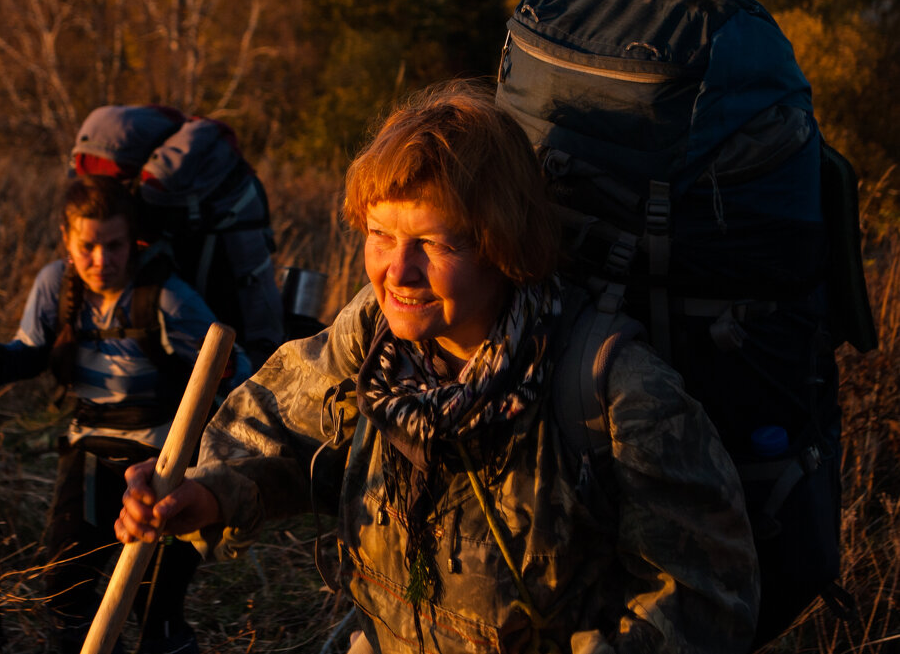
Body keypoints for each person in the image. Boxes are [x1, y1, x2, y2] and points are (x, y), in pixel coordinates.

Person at [115, 80, 760, 654]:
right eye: (380, 236)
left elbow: (704, 600)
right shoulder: (372, 339)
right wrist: (202, 493)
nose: (397, 272)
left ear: (500, 243)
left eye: (432, 242)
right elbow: (284, 436)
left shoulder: (610, 392)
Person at [0, 174, 249, 654]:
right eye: (88, 246)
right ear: (67, 238)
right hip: (89, 451)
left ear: (133, 240)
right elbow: (31, 351)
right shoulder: (54, 284)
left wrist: (224, 375)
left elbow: (234, 370)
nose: (101, 261)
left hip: (164, 459)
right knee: (65, 593)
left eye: (115, 245)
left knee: (154, 612)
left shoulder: (168, 296)